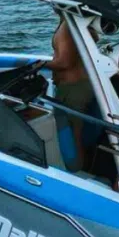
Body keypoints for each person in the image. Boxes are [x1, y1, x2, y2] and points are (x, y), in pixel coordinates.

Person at [47, 18, 96, 171]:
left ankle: (77, 172)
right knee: (80, 133)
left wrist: (38, 64)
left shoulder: (67, 25)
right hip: (85, 85)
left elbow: (65, 62)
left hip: (73, 89)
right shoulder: (78, 21)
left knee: (73, 136)